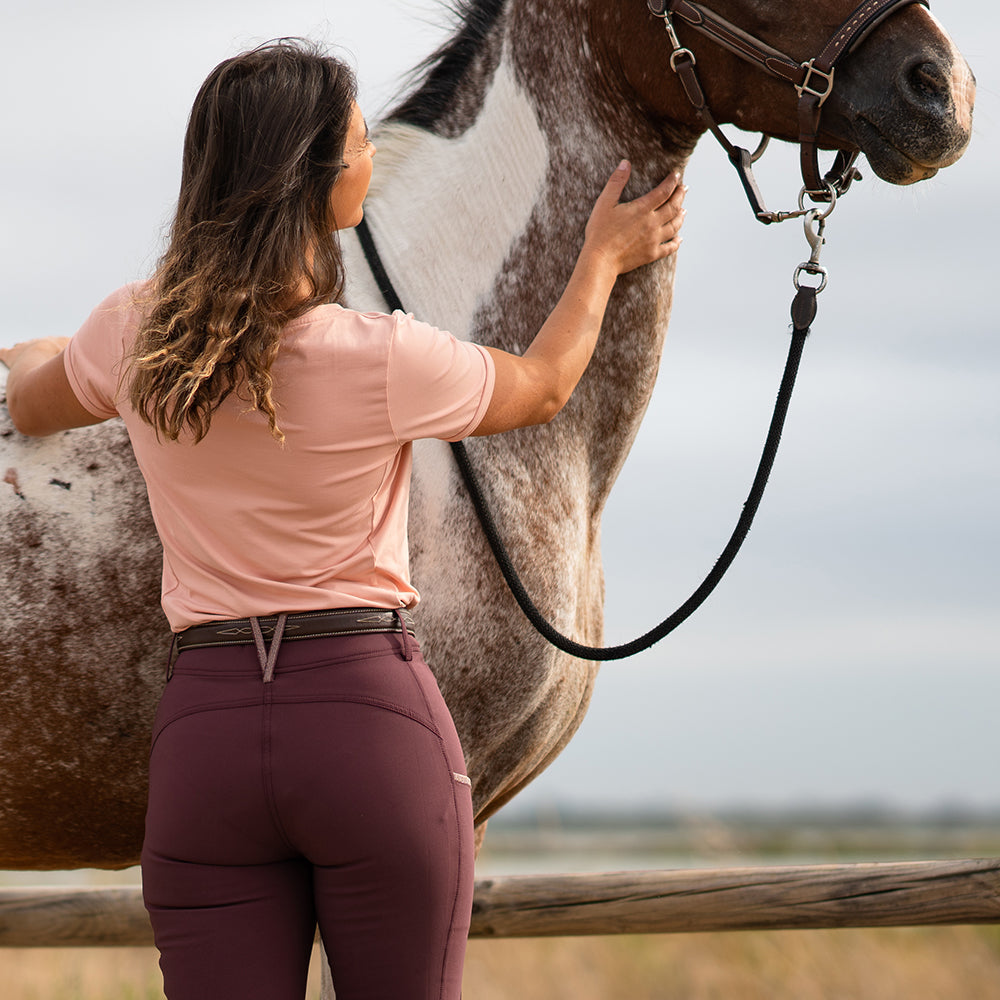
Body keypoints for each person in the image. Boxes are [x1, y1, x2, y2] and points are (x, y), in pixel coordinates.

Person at [1, 38, 685, 1000]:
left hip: (206, 738)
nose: (373, 157)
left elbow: (32, 405)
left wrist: (45, 352)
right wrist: (602, 260)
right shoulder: (381, 356)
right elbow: (543, 388)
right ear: (322, 181)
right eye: (362, 143)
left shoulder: (131, 332)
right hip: (368, 722)